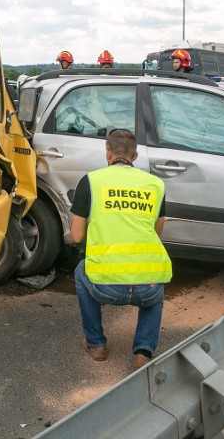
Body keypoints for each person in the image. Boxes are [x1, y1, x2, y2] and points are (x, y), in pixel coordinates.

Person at [71, 129, 171, 370]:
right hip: (147, 288)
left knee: (80, 271)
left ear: (108, 153)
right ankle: (143, 352)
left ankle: (96, 344)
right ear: (134, 156)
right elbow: (156, 232)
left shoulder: (91, 181)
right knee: (157, 282)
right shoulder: (156, 185)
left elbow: (76, 236)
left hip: (106, 286)